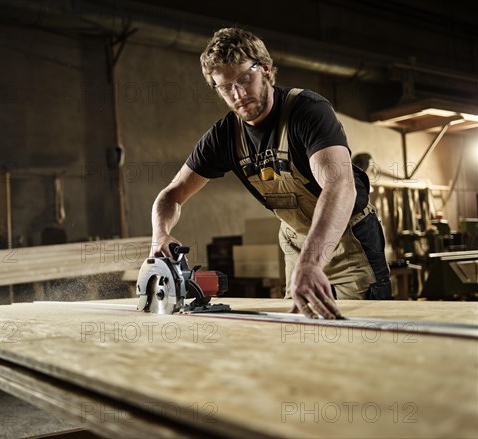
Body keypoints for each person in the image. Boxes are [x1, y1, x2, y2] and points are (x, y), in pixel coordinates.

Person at [150, 28, 392, 319]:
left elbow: (340, 187)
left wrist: (312, 264)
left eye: (244, 79)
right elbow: (171, 195)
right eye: (226, 87)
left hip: (348, 238)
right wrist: (159, 235)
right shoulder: (225, 136)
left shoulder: (308, 111)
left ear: (265, 69)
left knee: (359, 328)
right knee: (302, 324)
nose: (238, 94)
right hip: (297, 240)